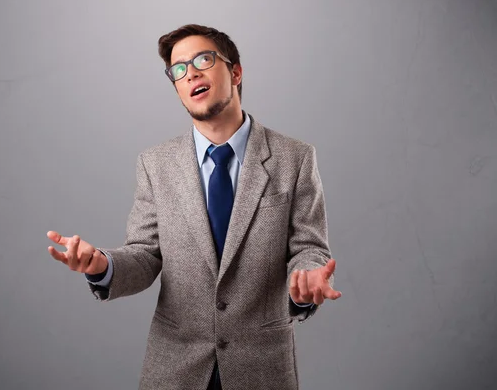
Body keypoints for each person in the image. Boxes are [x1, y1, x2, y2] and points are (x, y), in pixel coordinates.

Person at [47, 24, 341, 390]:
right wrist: (101, 265)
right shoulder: (155, 164)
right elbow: (144, 254)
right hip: (174, 368)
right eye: (179, 69)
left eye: (204, 59)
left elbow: (309, 247)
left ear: (235, 72)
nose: (192, 73)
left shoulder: (294, 158)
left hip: (262, 369)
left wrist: (308, 276)